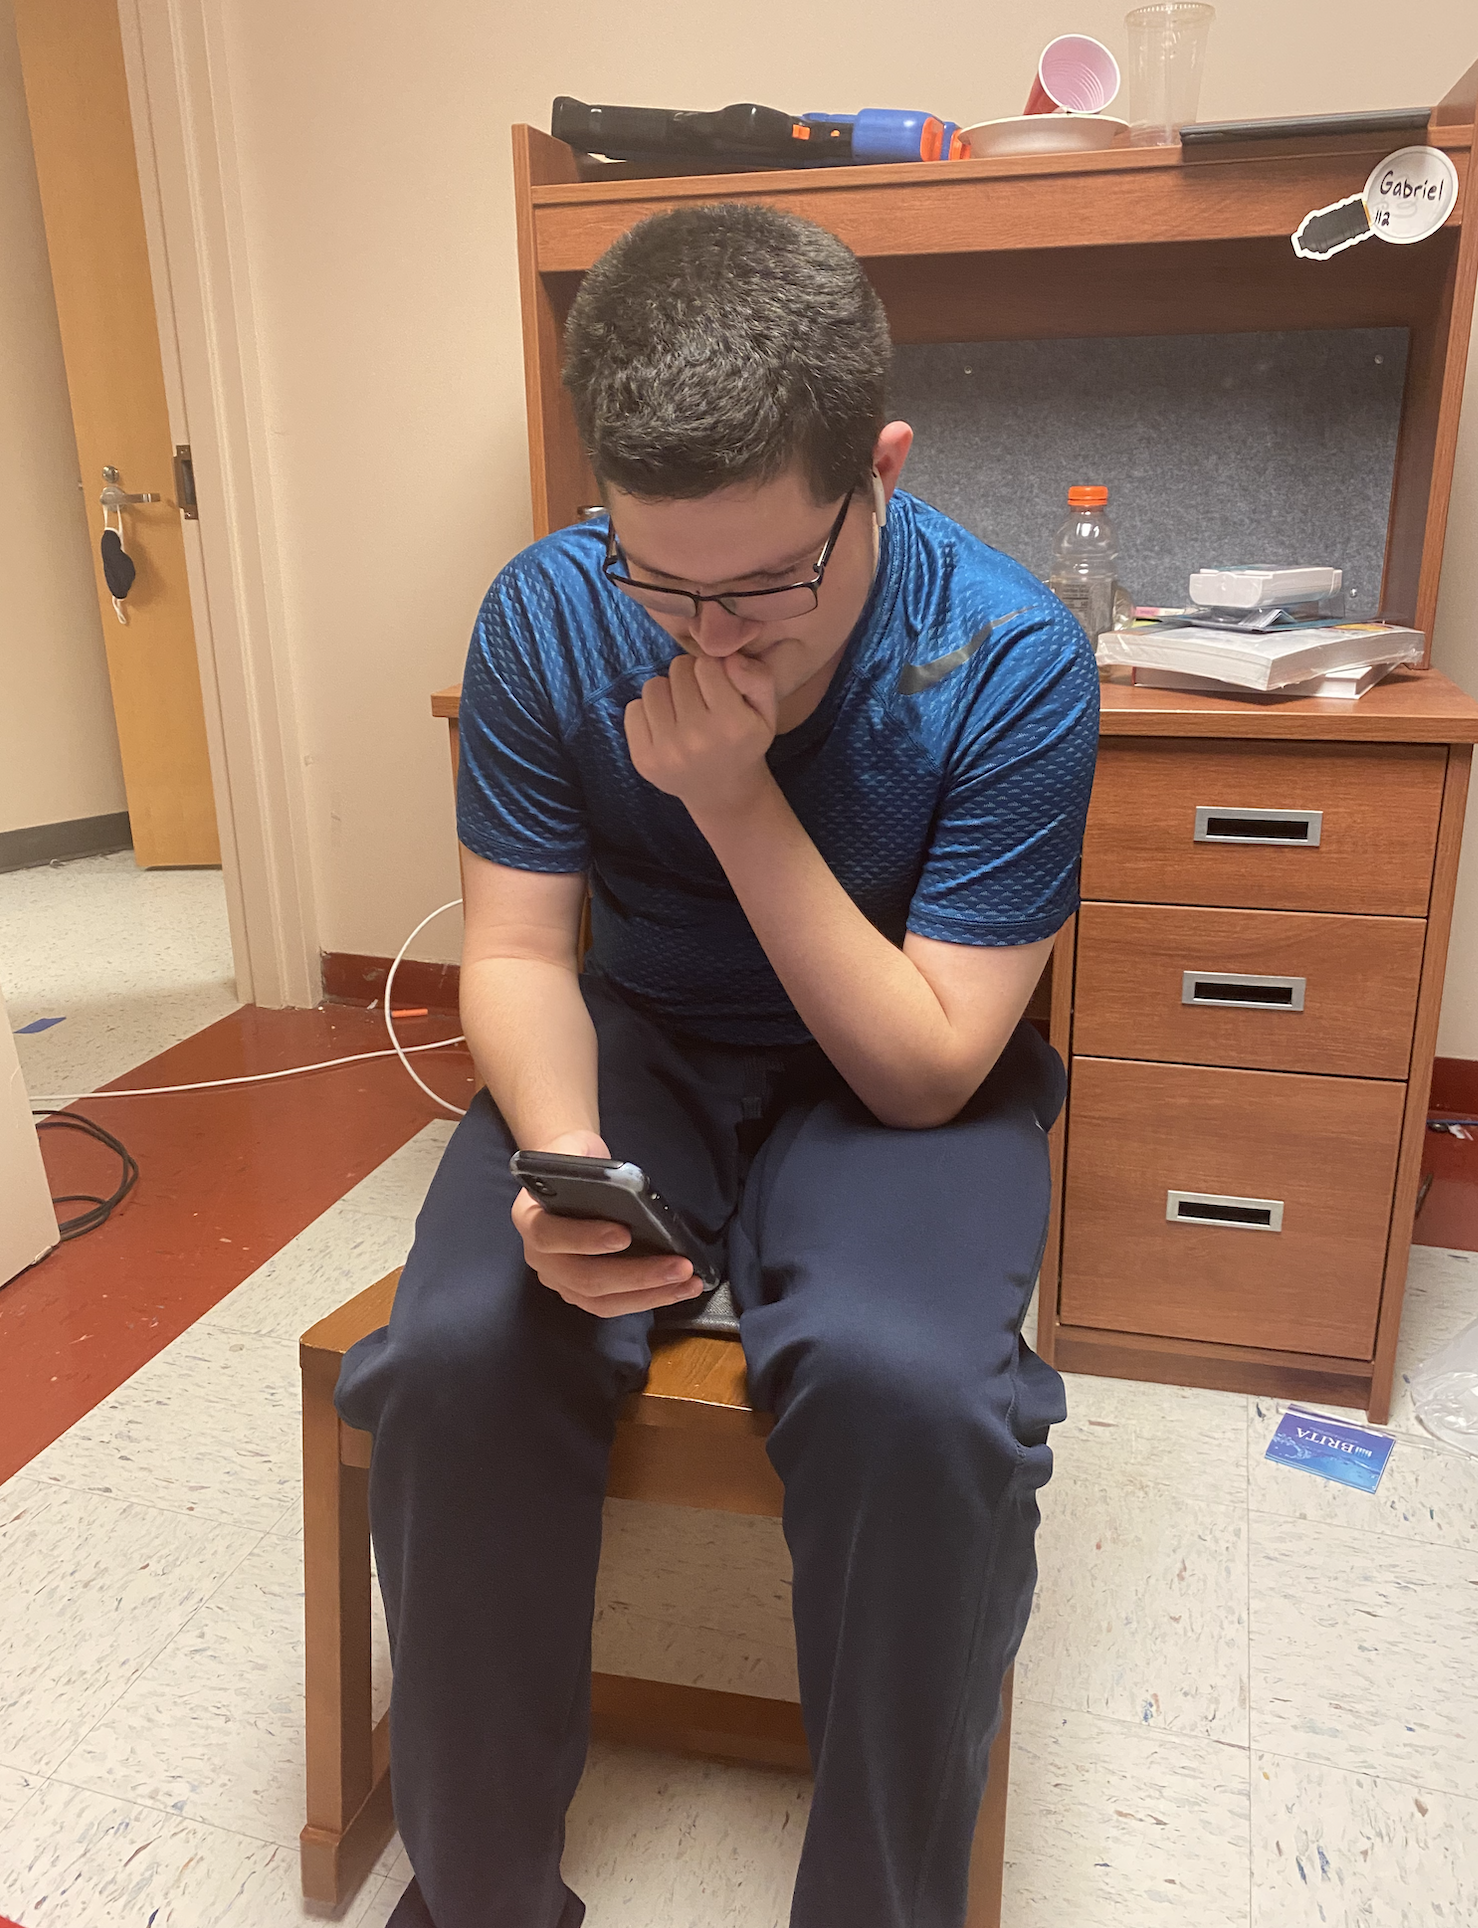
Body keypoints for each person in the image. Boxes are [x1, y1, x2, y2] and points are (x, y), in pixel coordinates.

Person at [336, 201, 1099, 1928]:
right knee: (457, 1355)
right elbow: (516, 953)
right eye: (659, 578)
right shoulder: (547, 615)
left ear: (878, 468)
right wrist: (559, 1163)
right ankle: (478, 1901)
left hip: (895, 1060)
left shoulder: (1009, 657)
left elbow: (926, 1069)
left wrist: (733, 798)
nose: (710, 635)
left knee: (915, 1396)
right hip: (645, 1039)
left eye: (763, 583)